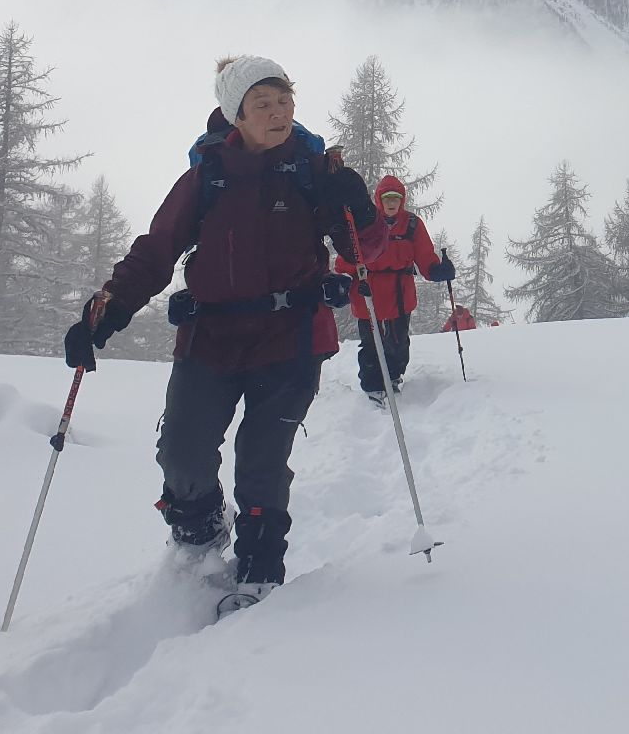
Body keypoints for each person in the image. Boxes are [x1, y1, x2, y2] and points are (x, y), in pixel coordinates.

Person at [64, 56, 383, 606]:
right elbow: (157, 248)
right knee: (182, 452)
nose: (278, 112)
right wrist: (107, 309)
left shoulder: (314, 173)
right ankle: (199, 529)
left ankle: (259, 570)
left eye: (285, 101)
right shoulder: (206, 175)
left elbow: (364, 251)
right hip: (210, 337)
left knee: (261, 459)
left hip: (292, 339)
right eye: (263, 104)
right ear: (236, 114)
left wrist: (357, 206)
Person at [336, 174, 454, 405]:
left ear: (402, 200)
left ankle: (393, 376)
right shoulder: (366, 222)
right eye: (387, 198)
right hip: (368, 292)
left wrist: (439, 271)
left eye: (396, 198)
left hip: (400, 293)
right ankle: (373, 386)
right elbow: (348, 258)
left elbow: (425, 257)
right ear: (379, 199)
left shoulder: (411, 224)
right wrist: (343, 279)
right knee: (371, 342)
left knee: (398, 342)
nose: (391, 203)